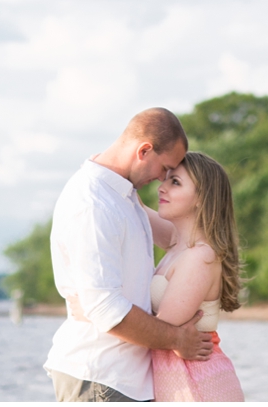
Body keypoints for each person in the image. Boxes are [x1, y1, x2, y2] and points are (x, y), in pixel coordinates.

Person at [44, 108, 214, 403]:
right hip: (101, 374)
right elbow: (106, 309)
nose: (162, 178)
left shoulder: (122, 196)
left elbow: (181, 238)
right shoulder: (94, 204)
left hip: (122, 377)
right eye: (165, 168)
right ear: (144, 150)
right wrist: (177, 339)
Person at [146, 152, 245, 402]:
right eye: (165, 179)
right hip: (182, 381)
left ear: (201, 198)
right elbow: (131, 207)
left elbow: (160, 329)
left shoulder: (200, 256)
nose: (162, 187)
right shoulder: (177, 241)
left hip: (200, 385)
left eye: (175, 182)